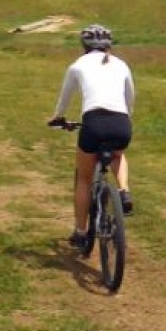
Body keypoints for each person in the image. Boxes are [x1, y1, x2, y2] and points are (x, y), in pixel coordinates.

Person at [48, 24, 135, 249]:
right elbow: (130, 96)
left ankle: (80, 230)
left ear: (84, 45)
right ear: (109, 45)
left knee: (84, 180)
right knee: (117, 154)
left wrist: (59, 117)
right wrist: (127, 119)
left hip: (93, 123)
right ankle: (124, 190)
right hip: (121, 122)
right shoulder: (122, 65)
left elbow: (64, 99)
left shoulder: (77, 66)